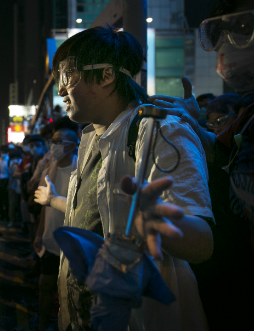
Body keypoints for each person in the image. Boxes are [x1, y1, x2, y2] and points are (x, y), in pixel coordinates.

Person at [35, 26, 213, 331]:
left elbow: (202, 243)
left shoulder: (161, 131)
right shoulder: (90, 136)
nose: (61, 90)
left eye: (67, 76)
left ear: (106, 75)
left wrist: (161, 223)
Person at [146, 1, 254, 329]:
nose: (225, 44)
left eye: (241, 28)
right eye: (219, 32)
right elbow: (223, 160)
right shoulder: (248, 117)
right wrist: (194, 125)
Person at [33, 128, 78, 331]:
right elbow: (45, 206)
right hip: (51, 239)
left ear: (72, 145)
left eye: (59, 141)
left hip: (72, 241)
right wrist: (40, 233)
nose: (54, 146)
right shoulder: (48, 170)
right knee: (46, 286)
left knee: (69, 292)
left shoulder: (80, 169)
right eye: (52, 141)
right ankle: (42, 324)